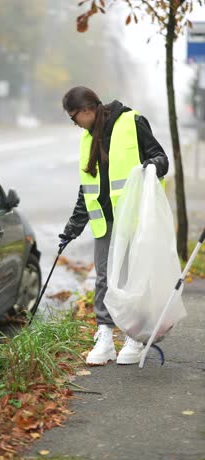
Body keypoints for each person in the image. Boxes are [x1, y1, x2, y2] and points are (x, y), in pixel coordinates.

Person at [59, 86, 169, 366]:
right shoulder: (87, 138)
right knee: (105, 279)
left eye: (74, 117)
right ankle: (106, 337)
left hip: (132, 219)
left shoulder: (132, 122)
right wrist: (73, 227)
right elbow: (87, 188)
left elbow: (162, 158)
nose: (75, 123)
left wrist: (153, 164)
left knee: (131, 278)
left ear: (87, 110)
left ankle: (133, 338)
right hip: (104, 222)